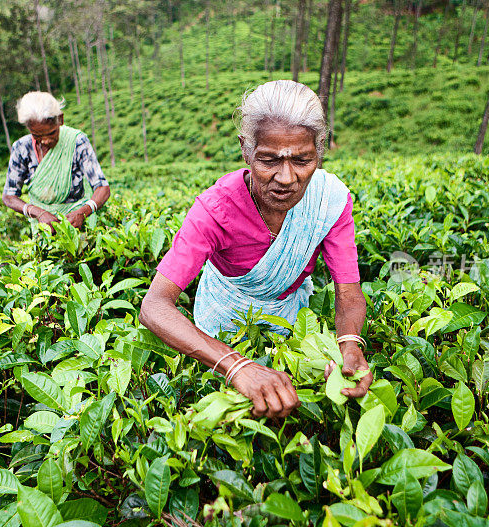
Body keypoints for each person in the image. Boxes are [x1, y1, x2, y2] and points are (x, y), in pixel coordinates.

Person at [139, 80, 372, 420]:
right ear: (245, 150)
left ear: (320, 150)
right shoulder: (215, 210)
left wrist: (349, 343)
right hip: (220, 325)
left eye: (303, 160)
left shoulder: (329, 201)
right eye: (268, 160)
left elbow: (348, 291)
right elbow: (154, 305)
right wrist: (237, 366)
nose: (286, 178)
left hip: (289, 316)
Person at [2, 91, 110, 232]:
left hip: (78, 226)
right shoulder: (21, 148)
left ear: (61, 119)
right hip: (42, 229)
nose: (45, 141)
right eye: (37, 135)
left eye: (51, 133)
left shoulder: (77, 142)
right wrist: (38, 213)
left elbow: (102, 188)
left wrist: (83, 212)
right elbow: (9, 196)